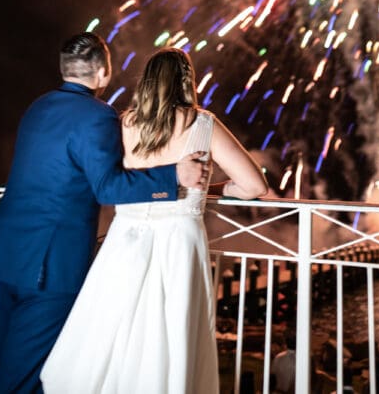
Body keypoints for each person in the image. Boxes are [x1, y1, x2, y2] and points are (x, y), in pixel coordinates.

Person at [0, 32, 208, 393]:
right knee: (26, 377)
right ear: (102, 72)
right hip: (49, 266)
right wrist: (173, 174)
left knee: (3, 363)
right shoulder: (98, 116)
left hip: (6, 255)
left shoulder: (38, 106)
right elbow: (108, 187)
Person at [41, 46, 267, 393]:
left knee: (113, 336)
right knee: (168, 336)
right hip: (178, 245)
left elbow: (112, 180)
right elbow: (254, 187)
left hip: (124, 240)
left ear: (146, 82)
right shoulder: (202, 124)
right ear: (187, 82)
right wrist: (206, 189)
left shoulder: (124, 123)